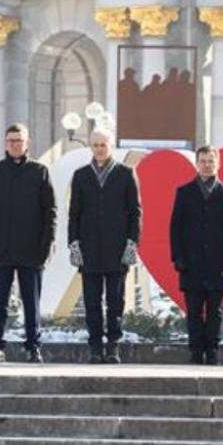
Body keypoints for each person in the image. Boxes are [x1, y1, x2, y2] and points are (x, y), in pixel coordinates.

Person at [0, 123, 55, 363]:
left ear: (27, 143)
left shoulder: (39, 172)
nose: (14, 144)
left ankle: (33, 347)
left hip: (32, 251)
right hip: (1, 250)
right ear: (5, 143)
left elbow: (49, 212)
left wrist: (45, 246)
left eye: (19, 140)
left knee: (31, 303)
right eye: (10, 140)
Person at [67, 129, 141, 364]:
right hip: (89, 250)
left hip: (117, 250)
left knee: (115, 301)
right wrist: (74, 243)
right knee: (91, 301)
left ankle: (113, 346)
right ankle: (95, 347)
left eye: (103, 144)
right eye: (95, 145)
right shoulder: (81, 175)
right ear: (91, 147)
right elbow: (74, 214)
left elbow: (135, 213)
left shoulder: (125, 174)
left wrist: (132, 243)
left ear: (111, 146)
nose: (99, 149)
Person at [170, 146, 223, 365]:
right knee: (193, 311)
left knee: (214, 312)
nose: (207, 165)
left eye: (211, 161)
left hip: (219, 264)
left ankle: (212, 351)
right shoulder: (184, 191)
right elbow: (175, 227)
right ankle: (195, 351)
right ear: (197, 163)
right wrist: (178, 257)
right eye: (203, 161)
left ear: (218, 163)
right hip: (191, 263)